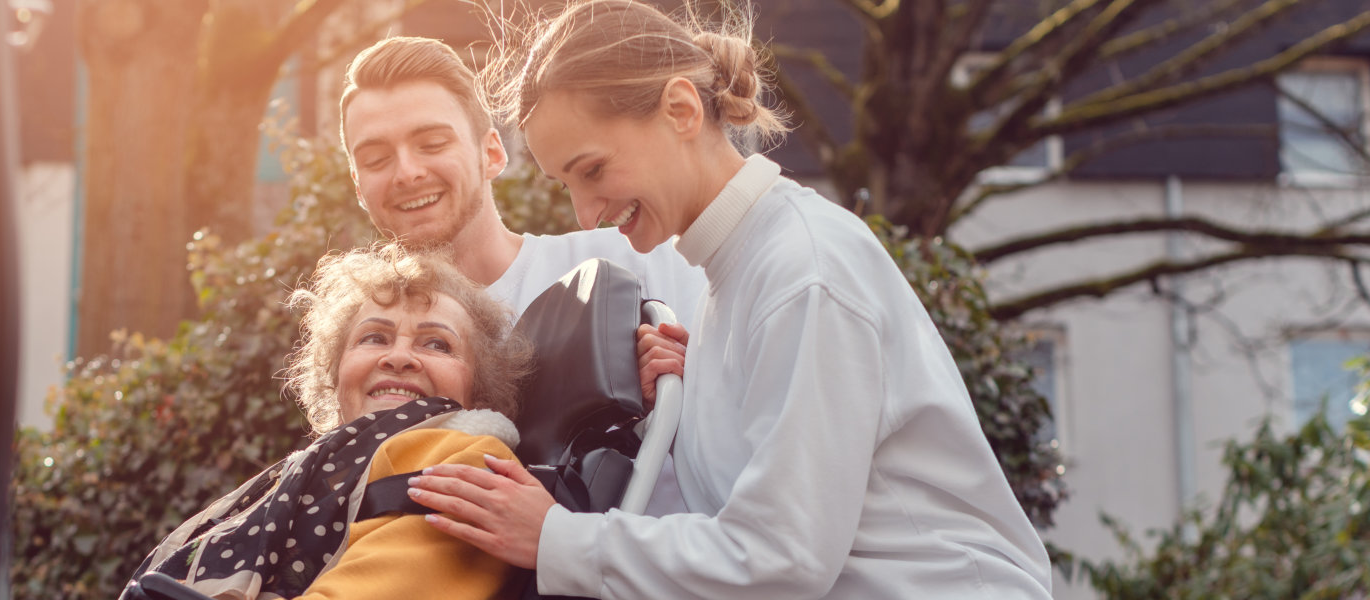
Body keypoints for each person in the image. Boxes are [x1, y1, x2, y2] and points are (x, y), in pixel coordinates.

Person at [405, 1, 1056, 598]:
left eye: (593, 170)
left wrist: (556, 537)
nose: (585, 214)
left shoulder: (803, 271)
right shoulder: (734, 282)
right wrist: (694, 397)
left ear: (682, 110)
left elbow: (781, 558)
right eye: (566, 183)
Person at [123, 243, 532, 600]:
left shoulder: (470, 457)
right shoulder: (308, 476)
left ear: (480, 389)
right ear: (336, 376)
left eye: (436, 343)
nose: (399, 356)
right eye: (374, 337)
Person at [338, 36, 701, 410]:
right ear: (358, 186)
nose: (407, 173)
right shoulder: (371, 346)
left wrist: (682, 383)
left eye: (432, 144)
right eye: (377, 159)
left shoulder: (637, 262)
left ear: (493, 154)